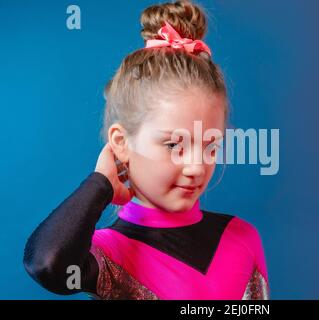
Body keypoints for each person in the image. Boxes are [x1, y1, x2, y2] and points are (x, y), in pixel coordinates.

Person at [23, 0, 269, 300]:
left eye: (210, 145)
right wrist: (100, 183)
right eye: (174, 144)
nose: (196, 167)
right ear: (122, 142)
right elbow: (46, 263)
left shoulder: (242, 237)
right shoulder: (110, 252)